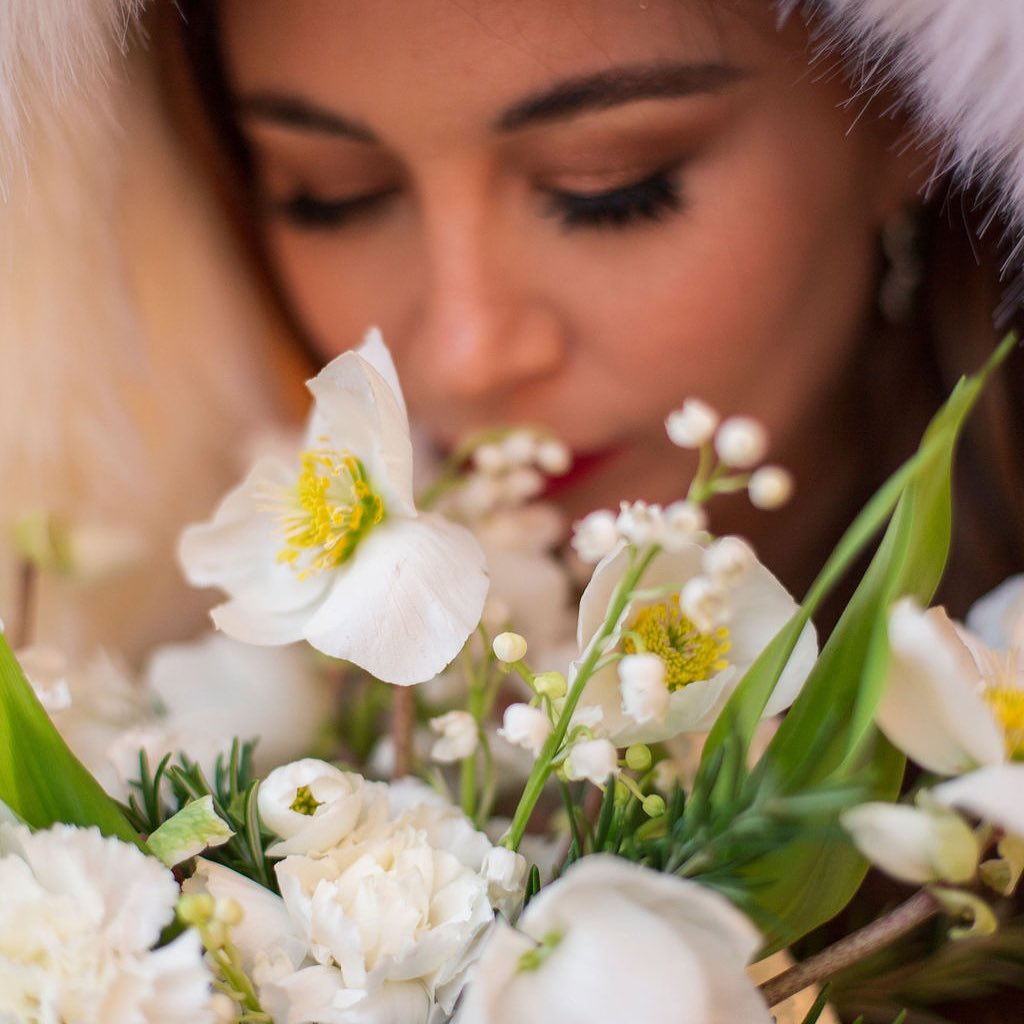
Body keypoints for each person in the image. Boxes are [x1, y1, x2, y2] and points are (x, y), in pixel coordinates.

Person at [1, 3, 1022, 647]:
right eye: (332, 194)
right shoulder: (197, 730)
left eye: (609, 188)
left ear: (911, 117)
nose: (465, 356)